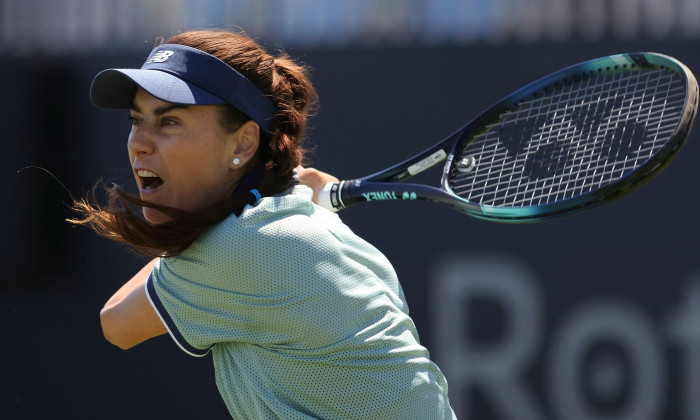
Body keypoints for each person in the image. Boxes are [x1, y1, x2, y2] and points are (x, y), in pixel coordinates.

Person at [72, 29, 456, 419]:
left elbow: (117, 322)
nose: (139, 143)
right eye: (137, 119)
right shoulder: (305, 225)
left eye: (169, 121)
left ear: (242, 144)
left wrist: (213, 223)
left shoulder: (244, 245)